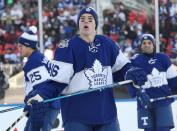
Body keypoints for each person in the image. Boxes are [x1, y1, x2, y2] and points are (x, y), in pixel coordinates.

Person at [25, 7, 147, 131]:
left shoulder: (107, 44)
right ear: (78, 24)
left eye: (90, 19)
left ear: (95, 24)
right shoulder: (67, 47)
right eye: (82, 19)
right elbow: (56, 82)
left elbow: (122, 68)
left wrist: (131, 72)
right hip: (77, 117)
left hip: (107, 114)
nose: (86, 21)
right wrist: (40, 95)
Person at [128, 34, 177, 131]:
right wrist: (138, 93)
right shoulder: (135, 61)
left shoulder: (163, 58)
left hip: (163, 103)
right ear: (141, 46)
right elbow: (130, 82)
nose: (146, 45)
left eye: (149, 43)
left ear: (154, 45)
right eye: (144, 43)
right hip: (145, 105)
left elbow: (173, 80)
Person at [18, 26, 60, 131]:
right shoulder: (38, 57)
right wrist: (29, 104)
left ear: (28, 46)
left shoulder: (34, 62)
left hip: (46, 106)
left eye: (21, 46)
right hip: (43, 105)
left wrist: (37, 116)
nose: (19, 49)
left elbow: (42, 90)